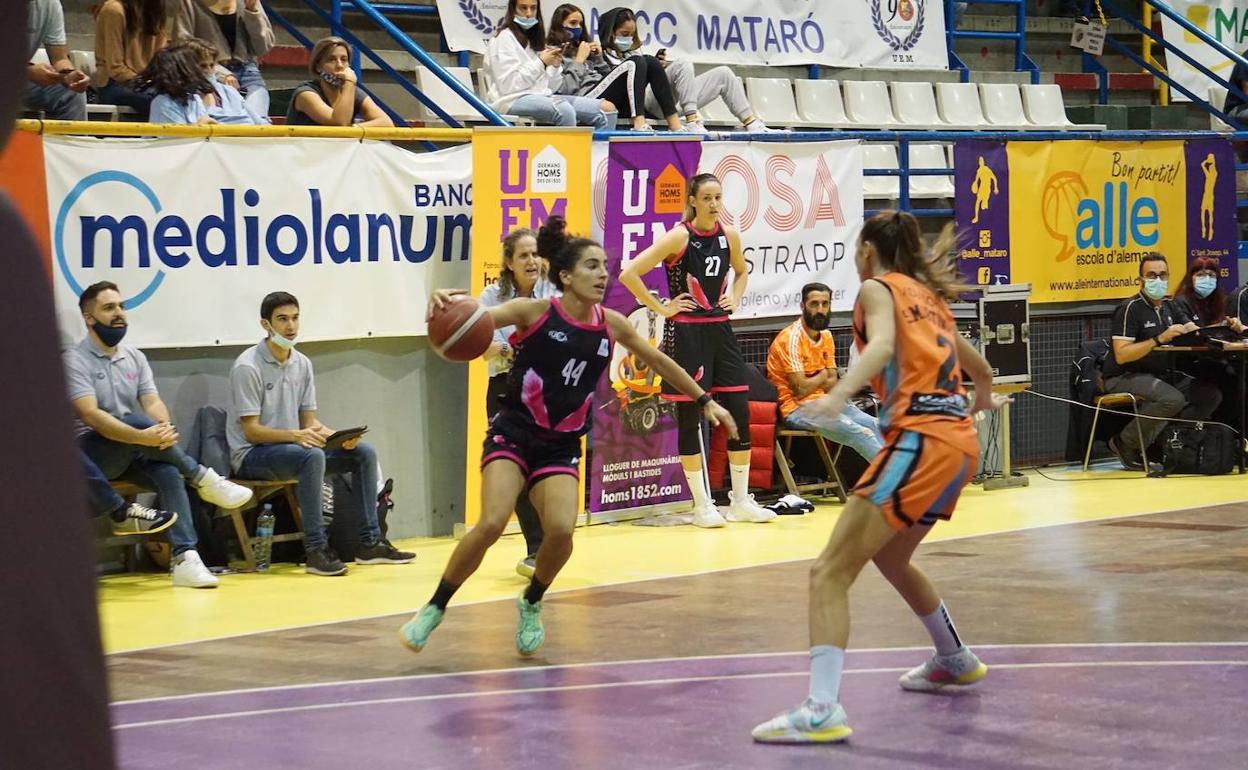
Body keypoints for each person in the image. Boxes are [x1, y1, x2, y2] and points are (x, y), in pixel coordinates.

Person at [399, 231, 738, 656]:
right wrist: (440, 300)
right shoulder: (534, 311)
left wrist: (705, 400)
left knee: (561, 531)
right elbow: (477, 318)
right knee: (490, 522)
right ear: (565, 275)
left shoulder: (610, 324)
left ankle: (532, 600)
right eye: (591, 266)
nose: (602, 274)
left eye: (604, 266)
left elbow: (660, 361)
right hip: (516, 432)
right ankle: (434, 607)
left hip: (560, 445)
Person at [751, 212, 1010, 745]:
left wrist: (842, 394)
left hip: (920, 440)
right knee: (891, 556)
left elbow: (885, 346)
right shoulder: (928, 298)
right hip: (958, 443)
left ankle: (822, 708)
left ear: (868, 250)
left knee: (827, 573)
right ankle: (953, 656)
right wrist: (981, 401)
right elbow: (980, 371)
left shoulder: (877, 288)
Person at [66, 282, 255, 588]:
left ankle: (186, 558)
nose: (119, 314)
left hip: (134, 447)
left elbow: (153, 402)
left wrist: (163, 430)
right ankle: (203, 477)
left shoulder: (134, 358)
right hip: (92, 455)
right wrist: (145, 436)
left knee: (167, 472)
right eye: (109, 308)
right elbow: (92, 416)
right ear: (89, 318)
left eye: (121, 307)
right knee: (139, 423)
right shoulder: (74, 360)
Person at [620, 173, 773, 527]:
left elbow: (741, 272)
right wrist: (661, 307)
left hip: (721, 329)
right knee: (690, 418)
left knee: (739, 410)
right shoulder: (679, 236)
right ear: (692, 200)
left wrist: (734, 296)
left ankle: (740, 500)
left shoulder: (729, 235)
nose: (714, 204)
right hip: (686, 334)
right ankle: (701, 504)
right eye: (706, 197)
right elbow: (630, 272)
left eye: (718, 197)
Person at [227, 291, 415, 576]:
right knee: (312, 457)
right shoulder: (247, 366)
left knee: (362, 453)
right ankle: (315, 549)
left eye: (295, 318)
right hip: (253, 455)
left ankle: (369, 544)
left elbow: (309, 422)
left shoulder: (302, 363)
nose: (290, 326)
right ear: (266, 325)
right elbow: (251, 432)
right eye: (282, 319)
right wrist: (297, 436)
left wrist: (338, 437)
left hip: (294, 450)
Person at [479, 224, 562, 577]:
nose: (531, 261)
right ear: (509, 262)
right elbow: (479, 344)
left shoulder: (554, 291)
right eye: (523, 255)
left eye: (535, 254)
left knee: (544, 472)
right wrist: (501, 347)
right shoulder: (491, 296)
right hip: (504, 388)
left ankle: (551, 544)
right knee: (511, 473)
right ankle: (536, 549)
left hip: (546, 390)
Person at [1101, 253, 1223, 470]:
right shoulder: (1130, 308)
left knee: (1209, 396)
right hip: (1123, 375)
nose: (1158, 280)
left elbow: (1195, 331)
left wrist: (1225, 330)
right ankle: (1124, 442)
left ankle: (1160, 442)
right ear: (1140, 279)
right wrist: (1159, 339)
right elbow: (1121, 354)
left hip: (1161, 374)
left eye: (1162, 275)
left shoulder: (1170, 306)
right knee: (1172, 399)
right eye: (1151, 275)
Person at [599, 7, 774, 134]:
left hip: (664, 103)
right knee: (683, 63)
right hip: (643, 106)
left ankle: (751, 123)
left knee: (724, 74)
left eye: (631, 34)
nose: (628, 38)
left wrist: (659, 70)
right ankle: (692, 119)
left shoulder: (635, 53)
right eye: (624, 33)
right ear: (610, 33)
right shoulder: (599, 56)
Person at [767, 282, 883, 461]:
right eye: (814, 304)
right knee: (862, 433)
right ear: (802, 306)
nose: (820, 310)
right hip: (796, 410)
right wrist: (823, 375)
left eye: (825, 304)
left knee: (876, 425)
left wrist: (819, 380)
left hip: (825, 402)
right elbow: (801, 390)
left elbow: (832, 384)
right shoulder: (790, 338)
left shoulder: (827, 336)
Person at [483, 0, 616, 129]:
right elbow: (509, 86)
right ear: (513, 11)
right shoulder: (504, 39)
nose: (529, 13)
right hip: (510, 100)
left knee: (606, 109)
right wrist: (541, 63)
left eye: (533, 8)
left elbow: (551, 87)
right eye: (523, 8)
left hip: (541, 95)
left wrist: (554, 66)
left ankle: (599, 152)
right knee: (564, 110)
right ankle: (567, 151)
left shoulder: (534, 40)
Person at [547, 3, 673, 132]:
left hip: (602, 93)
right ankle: (639, 123)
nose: (578, 28)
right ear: (559, 25)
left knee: (649, 60)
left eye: (580, 24)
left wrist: (598, 59)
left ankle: (676, 126)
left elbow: (608, 78)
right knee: (635, 61)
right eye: (573, 23)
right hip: (584, 98)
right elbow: (564, 91)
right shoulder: (553, 53)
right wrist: (579, 61)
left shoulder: (583, 47)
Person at [173, 0, 275, 118]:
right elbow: (182, 48)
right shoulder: (190, 3)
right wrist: (221, 73)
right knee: (222, 120)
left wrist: (252, 12)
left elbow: (262, 48)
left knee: (257, 121)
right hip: (209, 73)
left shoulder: (248, 2)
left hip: (248, 72)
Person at [142, 42, 265, 125]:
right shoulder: (165, 103)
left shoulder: (230, 92)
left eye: (211, 65)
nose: (209, 70)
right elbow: (173, 146)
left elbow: (261, 125)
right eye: (202, 66)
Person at [286, 37, 393, 127]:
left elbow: (387, 123)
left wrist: (354, 129)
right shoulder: (305, 94)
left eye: (344, 59)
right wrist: (350, 82)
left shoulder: (352, 92)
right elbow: (339, 123)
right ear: (318, 66)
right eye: (331, 60)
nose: (339, 65)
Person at [93, 0, 167, 114]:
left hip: (147, 83)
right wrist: (147, 82)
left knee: (188, 98)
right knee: (161, 101)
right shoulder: (114, 9)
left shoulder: (156, 10)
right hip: (115, 84)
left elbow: (162, 59)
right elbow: (115, 67)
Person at [24, 0, 90, 120]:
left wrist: (69, 75)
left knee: (71, 92)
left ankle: (73, 138)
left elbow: (59, 58)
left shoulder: (50, 4)